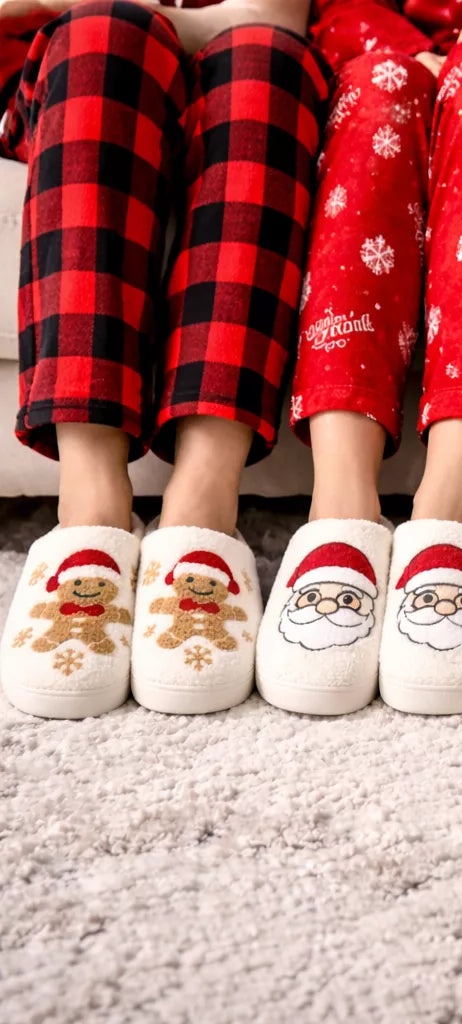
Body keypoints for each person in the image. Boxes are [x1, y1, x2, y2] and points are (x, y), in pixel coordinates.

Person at [0, 0, 329, 718]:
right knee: (105, 35)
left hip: (233, 69)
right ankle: (91, 506)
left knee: (266, 60)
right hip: (77, 72)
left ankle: (201, 505)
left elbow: (278, 15)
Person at [253, 0, 462, 717]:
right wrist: (409, 52)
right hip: (383, 58)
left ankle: (452, 503)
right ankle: (340, 502)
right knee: (379, 88)